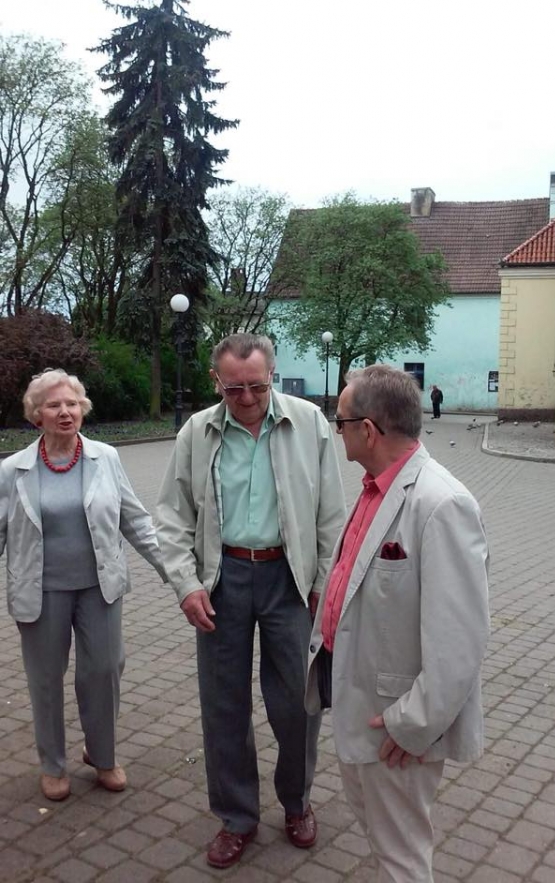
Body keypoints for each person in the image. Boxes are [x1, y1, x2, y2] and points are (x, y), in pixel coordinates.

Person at [156, 333, 346, 869]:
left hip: (291, 579)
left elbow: (332, 514)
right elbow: (171, 516)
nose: (245, 398)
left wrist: (323, 582)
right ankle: (237, 817)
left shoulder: (308, 423)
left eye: (257, 387)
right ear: (215, 381)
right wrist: (186, 584)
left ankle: (297, 802)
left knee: (299, 701)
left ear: (273, 374)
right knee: (224, 705)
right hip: (223, 579)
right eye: (233, 388)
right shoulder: (197, 431)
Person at [306, 364, 489, 883]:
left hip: (396, 727)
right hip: (361, 705)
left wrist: (413, 725)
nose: (336, 430)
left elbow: (460, 642)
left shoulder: (442, 503)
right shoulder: (375, 488)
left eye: (340, 421)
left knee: (401, 858)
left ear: (367, 430)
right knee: (383, 843)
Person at [0, 369, 167, 802]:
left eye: (72, 404)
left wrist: (174, 571)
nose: (65, 411)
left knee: (104, 670)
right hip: (40, 592)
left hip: (99, 587)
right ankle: (53, 765)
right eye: (54, 405)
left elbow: (135, 519)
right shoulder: (13, 470)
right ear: (36, 414)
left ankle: (102, 754)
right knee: (45, 679)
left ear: (82, 409)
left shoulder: (105, 458)